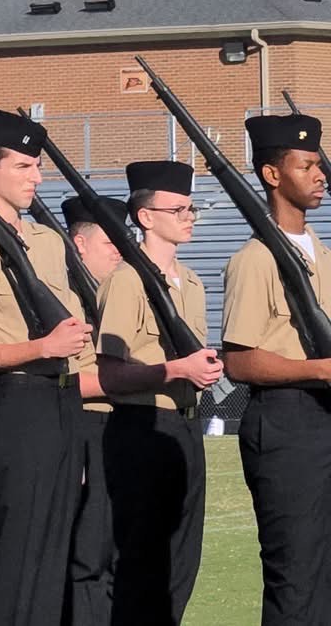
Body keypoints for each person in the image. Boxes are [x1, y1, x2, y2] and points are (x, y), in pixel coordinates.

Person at [0, 105, 99, 626]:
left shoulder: (46, 240)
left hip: (62, 402)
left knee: (54, 559)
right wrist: (42, 347)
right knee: (14, 562)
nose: (37, 176)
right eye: (23, 166)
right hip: (17, 403)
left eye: (38, 166)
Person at [95, 160, 220, 624]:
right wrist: (174, 370)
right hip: (141, 428)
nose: (188, 217)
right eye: (178, 209)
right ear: (146, 216)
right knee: (142, 565)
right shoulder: (126, 280)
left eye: (191, 209)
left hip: (186, 429)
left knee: (183, 563)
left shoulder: (192, 283)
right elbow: (109, 373)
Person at [225, 114, 331, 625]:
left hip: (325, 417)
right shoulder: (256, 260)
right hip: (288, 423)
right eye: (306, 165)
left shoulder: (326, 256)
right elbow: (239, 359)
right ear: (272, 174)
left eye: (319, 164)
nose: (320, 175)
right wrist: (317, 369)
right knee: (296, 574)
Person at [59, 195, 126, 624]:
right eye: (109, 241)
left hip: (121, 428)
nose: (119, 249)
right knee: (89, 556)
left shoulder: (119, 293)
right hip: (85, 426)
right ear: (79, 244)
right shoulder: (62, 299)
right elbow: (64, 381)